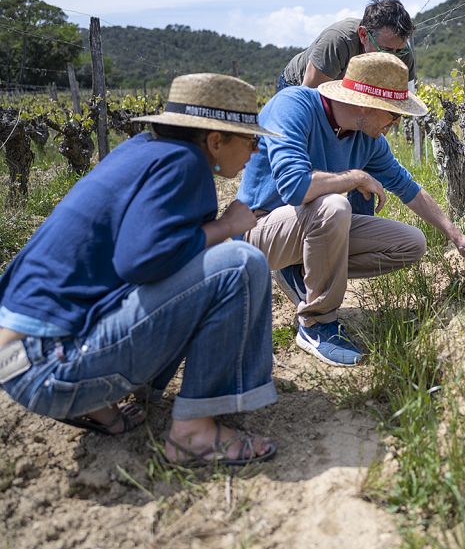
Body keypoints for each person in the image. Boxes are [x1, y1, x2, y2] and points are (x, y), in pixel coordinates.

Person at [0, 73, 280, 467]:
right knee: (239, 264)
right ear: (216, 140)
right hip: (52, 365)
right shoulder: (185, 163)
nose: (255, 152)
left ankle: (103, 407)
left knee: (195, 261)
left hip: (18, 361)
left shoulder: (141, 150)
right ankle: (195, 434)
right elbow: (143, 261)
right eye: (252, 140)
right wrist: (227, 227)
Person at [239, 52, 465, 367]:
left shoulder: (368, 140)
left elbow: (409, 189)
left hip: (309, 228)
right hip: (258, 232)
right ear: (365, 104)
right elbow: (294, 188)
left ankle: (305, 270)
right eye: (394, 114)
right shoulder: (293, 106)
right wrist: (356, 177)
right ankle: (317, 324)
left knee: (411, 243)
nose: (397, 123)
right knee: (334, 205)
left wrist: (457, 237)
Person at [277, 0, 416, 92]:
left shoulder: (402, 52)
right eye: (386, 50)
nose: (393, 58)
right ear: (363, 35)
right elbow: (309, 95)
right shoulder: (338, 41)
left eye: (399, 51)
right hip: (298, 85)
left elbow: (402, 103)